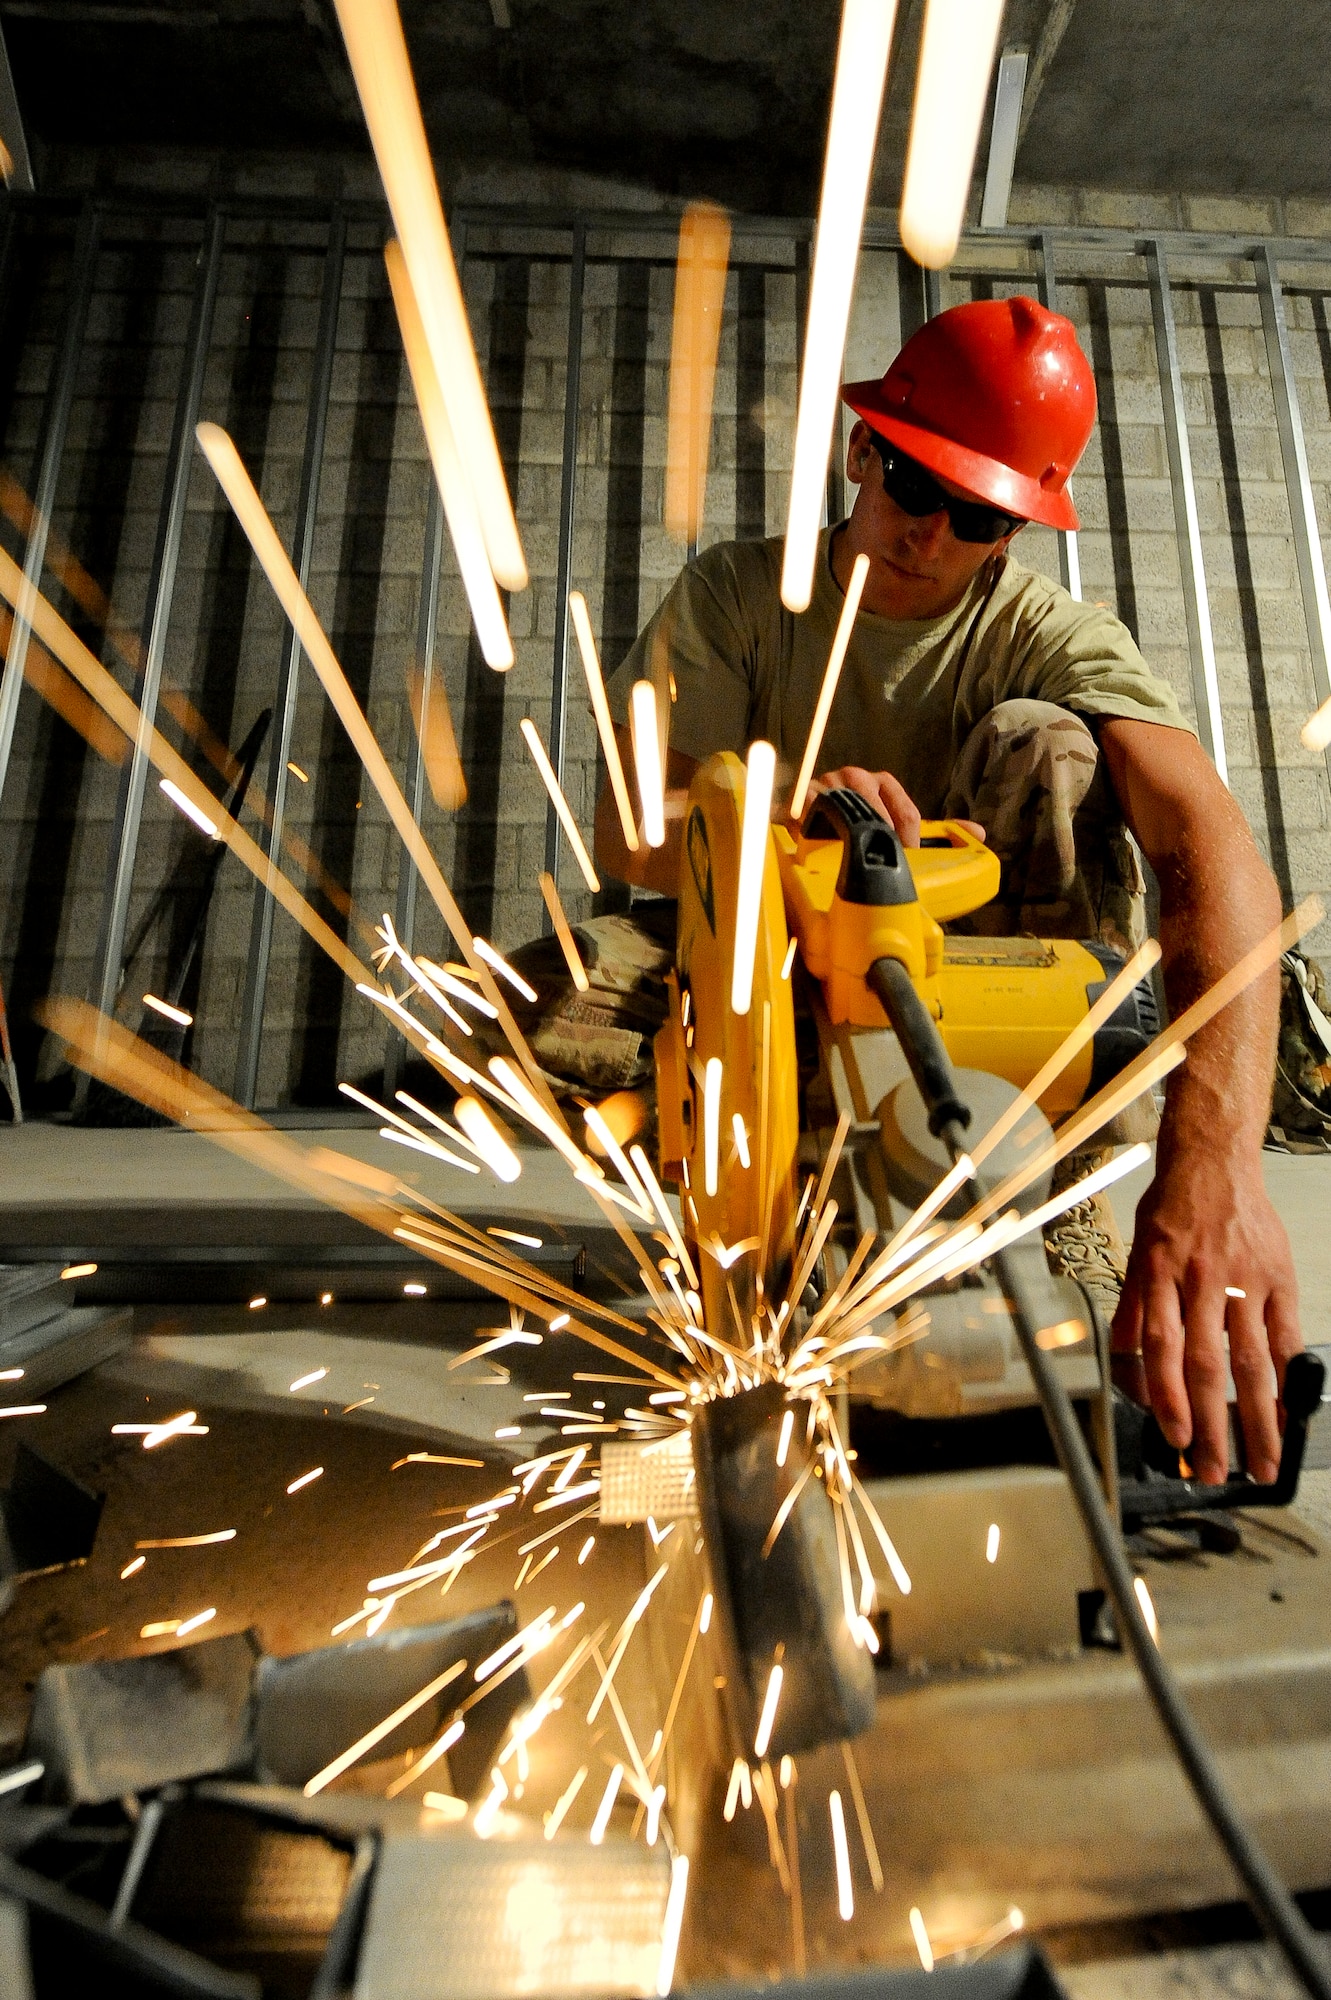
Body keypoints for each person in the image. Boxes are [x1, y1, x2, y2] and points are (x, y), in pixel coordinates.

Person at [594, 295, 1302, 1489]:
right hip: (772, 987)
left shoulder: (1044, 632)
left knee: (1051, 742)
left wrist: (1218, 1152)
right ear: (861, 449)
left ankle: (1050, 1177)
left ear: (1013, 528)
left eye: (973, 513)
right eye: (912, 487)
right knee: (557, 991)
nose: (928, 533)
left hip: (978, 997)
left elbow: (1206, 841)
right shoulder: (732, 595)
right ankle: (729, 1198)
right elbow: (628, 828)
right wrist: (782, 811)